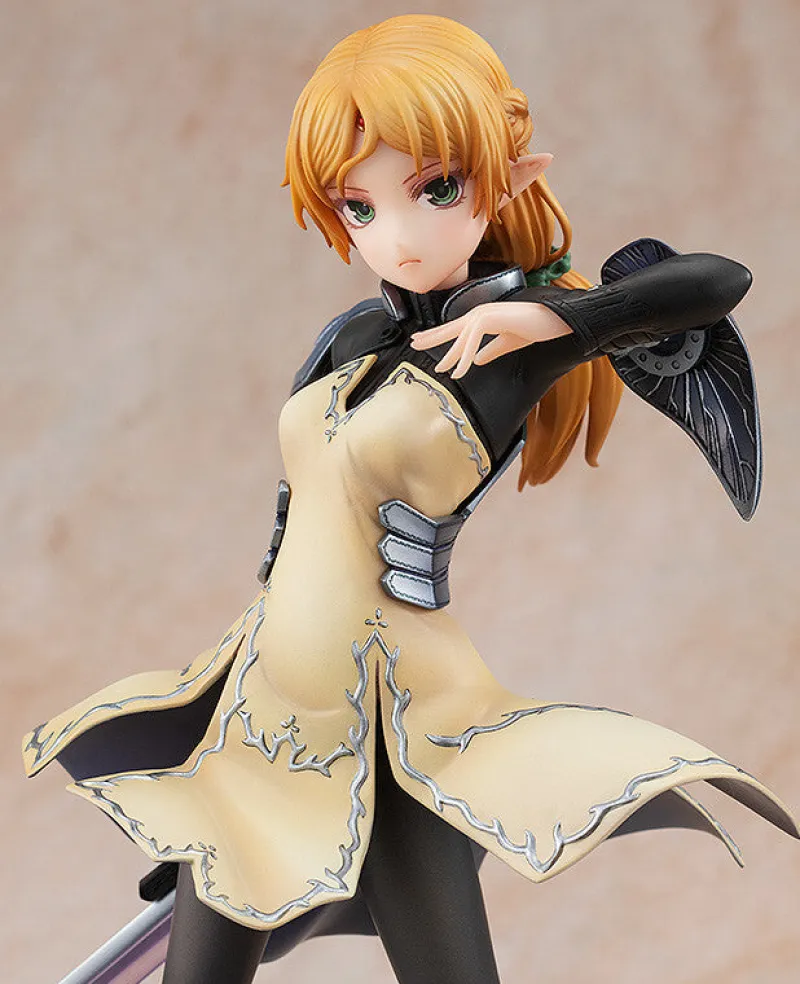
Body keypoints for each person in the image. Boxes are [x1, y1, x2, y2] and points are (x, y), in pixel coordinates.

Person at [22, 14, 797, 984]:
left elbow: (716, 280)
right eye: (358, 206)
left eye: (435, 190)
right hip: (264, 712)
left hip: (394, 723)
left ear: (506, 175)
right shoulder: (352, 341)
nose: (396, 236)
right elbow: (298, 535)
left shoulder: (510, 344)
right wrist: (204, 731)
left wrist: (556, 318)